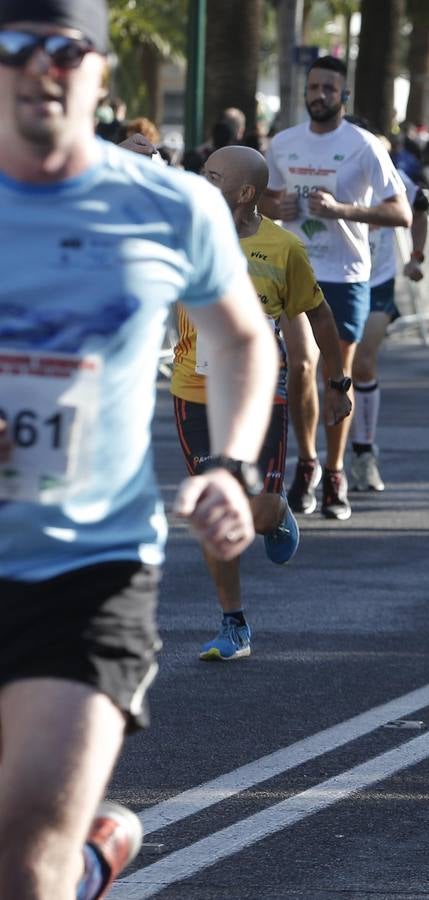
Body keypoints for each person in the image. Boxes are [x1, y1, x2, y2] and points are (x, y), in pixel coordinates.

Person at [0, 1, 278, 896]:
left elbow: (241, 338)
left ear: (99, 72)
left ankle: (67, 862)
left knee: (26, 837)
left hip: (89, 564)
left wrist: (232, 464)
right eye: (13, 47)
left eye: (63, 48)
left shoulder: (170, 203)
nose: (39, 66)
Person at [172, 146, 353, 660]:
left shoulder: (282, 249)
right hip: (195, 392)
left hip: (258, 395)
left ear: (245, 192)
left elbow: (317, 316)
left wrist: (338, 383)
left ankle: (277, 516)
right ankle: (234, 624)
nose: (202, 182)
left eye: (213, 176)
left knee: (255, 511)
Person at [261, 55, 411, 520]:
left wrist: (343, 211)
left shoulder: (364, 145)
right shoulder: (283, 144)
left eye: (329, 87)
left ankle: (336, 469)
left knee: (335, 375)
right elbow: (260, 197)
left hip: (346, 274)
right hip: (295, 268)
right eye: (313, 87)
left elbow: (401, 213)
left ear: (343, 95)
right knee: (301, 367)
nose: (319, 94)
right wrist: (276, 204)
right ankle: (306, 464)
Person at [348, 126, 425, 494]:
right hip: (336, 280)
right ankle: (326, 459)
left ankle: (364, 451)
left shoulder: (395, 179)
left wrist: (416, 255)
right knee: (329, 368)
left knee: (363, 361)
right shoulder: (336, 173)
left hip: (377, 281)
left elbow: (421, 207)